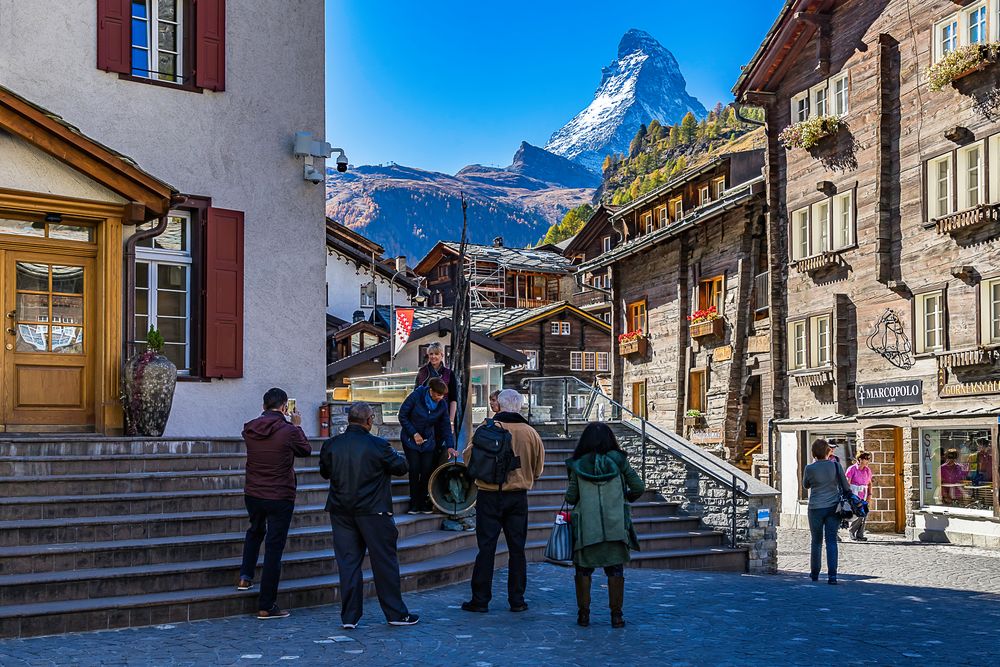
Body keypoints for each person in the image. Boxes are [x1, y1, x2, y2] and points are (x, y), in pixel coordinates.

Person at [319, 402, 419, 628]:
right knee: (384, 562)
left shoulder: (332, 445)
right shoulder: (378, 445)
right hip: (374, 510)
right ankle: (395, 613)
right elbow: (401, 467)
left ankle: (350, 617)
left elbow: (325, 472)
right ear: (369, 420)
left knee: (348, 563)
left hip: (341, 509)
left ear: (349, 420)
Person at [461, 389, 545, 613]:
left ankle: (480, 600)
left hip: (488, 494)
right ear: (519, 407)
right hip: (517, 497)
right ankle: (517, 600)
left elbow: (468, 458)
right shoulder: (530, 433)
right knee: (517, 549)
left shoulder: (487, 429)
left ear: (500, 404)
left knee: (486, 548)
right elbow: (538, 469)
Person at [238, 387, 312, 620]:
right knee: (274, 548)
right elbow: (306, 450)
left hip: (253, 492)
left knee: (255, 531)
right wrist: (297, 424)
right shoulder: (289, 430)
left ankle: (245, 576)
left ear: (263, 406)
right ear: (283, 407)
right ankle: (266, 604)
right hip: (280, 494)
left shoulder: (249, 428)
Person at [565, 423, 644, 629]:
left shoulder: (578, 465)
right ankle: (616, 617)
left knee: (583, 571)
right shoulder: (620, 461)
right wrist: (623, 498)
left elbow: (571, 497)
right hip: (615, 525)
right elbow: (638, 487)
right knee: (615, 571)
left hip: (586, 528)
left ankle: (584, 616)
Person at [398, 377, 458, 514]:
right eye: (437, 394)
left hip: (429, 441)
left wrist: (450, 445)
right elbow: (402, 415)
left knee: (426, 470)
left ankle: (423, 501)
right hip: (410, 439)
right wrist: (414, 434)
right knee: (414, 469)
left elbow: (445, 426)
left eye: (442, 395)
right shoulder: (416, 396)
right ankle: (414, 503)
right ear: (431, 391)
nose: (440, 398)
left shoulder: (442, 404)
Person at [803, 438, 851, 585]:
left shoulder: (809, 468)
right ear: (827, 451)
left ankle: (815, 573)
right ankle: (832, 576)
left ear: (813, 452)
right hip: (833, 507)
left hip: (815, 507)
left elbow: (806, 485)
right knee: (831, 541)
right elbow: (846, 487)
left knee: (816, 541)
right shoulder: (836, 466)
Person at [414, 342, 458, 424]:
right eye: (431, 354)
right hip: (423, 414)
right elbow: (415, 394)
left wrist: (451, 421)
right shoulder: (422, 371)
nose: (433, 356)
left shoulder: (449, 373)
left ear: (442, 355)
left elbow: (453, 399)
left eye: (436, 354)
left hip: (443, 414)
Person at [845, 451, 873, 542]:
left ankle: (860, 534)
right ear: (860, 459)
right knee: (857, 512)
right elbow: (847, 483)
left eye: (869, 459)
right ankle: (852, 531)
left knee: (864, 513)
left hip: (863, 493)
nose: (868, 460)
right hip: (854, 493)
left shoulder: (867, 470)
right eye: (866, 458)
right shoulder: (852, 469)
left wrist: (869, 495)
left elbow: (869, 483)